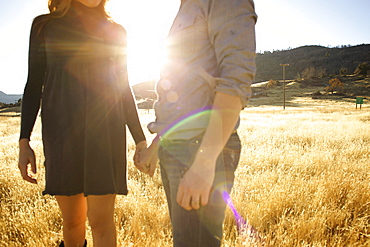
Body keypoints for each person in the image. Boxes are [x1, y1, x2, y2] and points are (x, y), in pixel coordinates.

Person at [18, 0, 147, 246]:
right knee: (73, 221)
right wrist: (24, 141)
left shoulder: (116, 31)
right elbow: (34, 85)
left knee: (101, 221)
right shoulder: (44, 26)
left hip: (105, 134)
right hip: (61, 133)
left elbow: (123, 89)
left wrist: (140, 140)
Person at [136, 0, 257, 246]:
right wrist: (158, 144)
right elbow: (184, 95)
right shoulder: (187, 5)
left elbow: (235, 82)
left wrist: (203, 162)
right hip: (178, 148)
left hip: (198, 148)